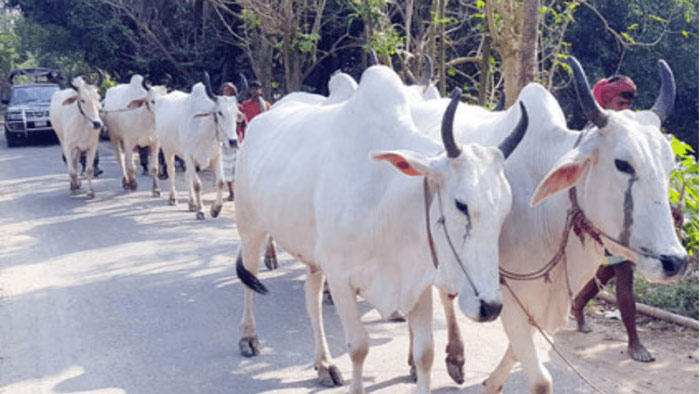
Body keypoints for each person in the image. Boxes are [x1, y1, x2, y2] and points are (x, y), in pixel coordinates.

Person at [571, 74, 654, 362]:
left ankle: (579, 304)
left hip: (626, 215)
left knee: (610, 270)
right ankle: (633, 341)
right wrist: (577, 212)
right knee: (623, 272)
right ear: (607, 100)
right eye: (621, 102)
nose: (626, 108)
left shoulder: (634, 133)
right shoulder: (592, 132)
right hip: (600, 215)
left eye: (630, 103)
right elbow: (573, 175)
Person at [221, 82, 240, 201]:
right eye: (225, 91)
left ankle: (238, 190)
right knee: (226, 168)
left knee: (238, 167)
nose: (227, 93)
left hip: (237, 139)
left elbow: (243, 121)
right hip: (224, 141)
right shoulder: (218, 108)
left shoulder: (238, 107)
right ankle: (231, 191)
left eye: (229, 91)